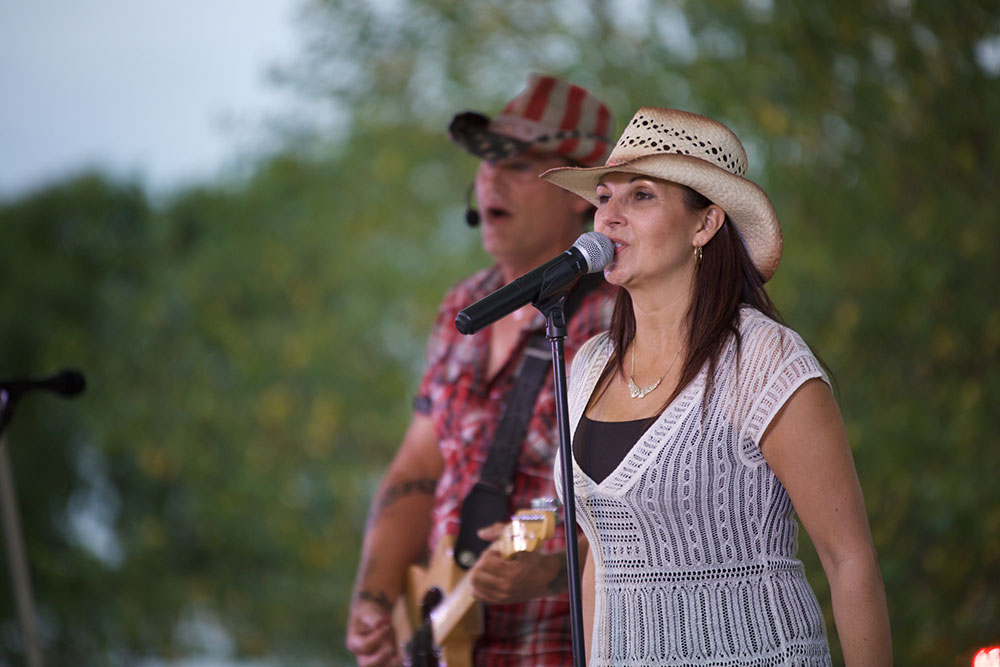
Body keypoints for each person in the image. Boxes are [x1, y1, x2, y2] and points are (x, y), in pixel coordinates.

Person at [541, 107, 892, 666]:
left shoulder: (765, 360)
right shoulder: (588, 366)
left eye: (643, 196)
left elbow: (849, 559)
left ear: (705, 224)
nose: (607, 217)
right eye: (604, 196)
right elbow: (600, 559)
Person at [345, 74, 617, 666]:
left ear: (581, 192)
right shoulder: (458, 307)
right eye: (486, 162)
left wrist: (556, 571)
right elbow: (418, 466)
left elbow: (661, 503)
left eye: (518, 165)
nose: (490, 177)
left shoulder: (626, 317)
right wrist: (375, 599)